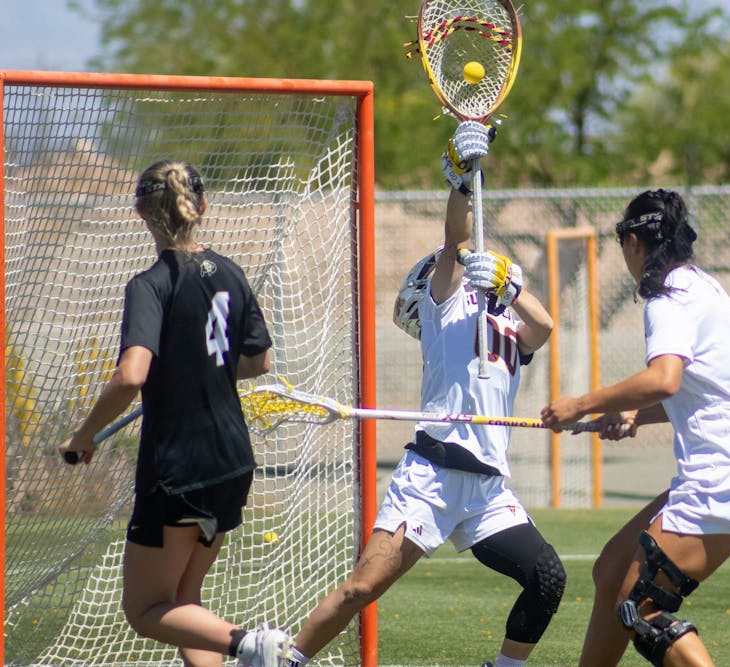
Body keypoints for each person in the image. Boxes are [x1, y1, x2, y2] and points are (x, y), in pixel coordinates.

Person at [283, 122, 566, 667]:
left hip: (485, 488)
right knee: (363, 588)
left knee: (547, 577)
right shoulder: (445, 308)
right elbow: (456, 242)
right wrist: (460, 180)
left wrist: (511, 288)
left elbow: (544, 326)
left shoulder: (511, 323)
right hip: (432, 476)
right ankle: (290, 658)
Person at [59, 160, 293, 667]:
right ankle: (245, 645)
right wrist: (201, 373)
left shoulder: (150, 284)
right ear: (202, 205)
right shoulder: (230, 272)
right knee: (185, 601)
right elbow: (258, 361)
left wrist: (84, 435)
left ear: (141, 212)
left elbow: (131, 375)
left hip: (179, 468)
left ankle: (251, 645)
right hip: (231, 460)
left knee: (145, 611)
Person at [540, 188, 730, 667]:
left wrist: (580, 404)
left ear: (634, 242)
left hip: (725, 472)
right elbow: (702, 389)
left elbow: (664, 379)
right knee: (613, 572)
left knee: (640, 606)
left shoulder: (668, 296)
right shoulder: (701, 285)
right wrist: (635, 413)